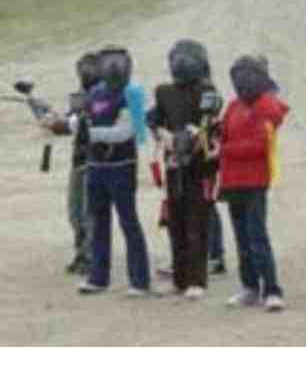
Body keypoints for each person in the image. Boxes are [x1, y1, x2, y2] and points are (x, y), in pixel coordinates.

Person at [147, 39, 222, 300]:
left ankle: (196, 280)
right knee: (176, 223)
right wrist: (163, 134)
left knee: (197, 223)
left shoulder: (208, 91)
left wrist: (196, 135)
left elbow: (211, 123)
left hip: (201, 166)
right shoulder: (164, 92)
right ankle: (180, 279)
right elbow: (153, 118)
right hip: (174, 165)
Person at [77, 45, 152, 297]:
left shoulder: (132, 93)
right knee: (98, 222)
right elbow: (82, 119)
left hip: (121, 167)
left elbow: (127, 131)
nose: (113, 66)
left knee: (128, 222)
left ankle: (139, 281)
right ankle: (98, 278)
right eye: (108, 61)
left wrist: (91, 134)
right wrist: (69, 124)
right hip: (96, 166)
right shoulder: (94, 93)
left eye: (118, 61)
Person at [218, 56, 289, 312]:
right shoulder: (233, 107)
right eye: (238, 77)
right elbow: (222, 134)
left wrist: (224, 150)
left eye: (247, 76)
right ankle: (249, 287)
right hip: (232, 181)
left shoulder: (267, 106)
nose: (242, 82)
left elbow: (259, 145)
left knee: (257, 236)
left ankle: (272, 289)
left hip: (255, 181)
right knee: (241, 238)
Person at [40, 52, 100, 275]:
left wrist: (57, 124)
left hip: (96, 161)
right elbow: (69, 123)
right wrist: (51, 118)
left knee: (88, 213)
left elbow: (74, 124)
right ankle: (82, 253)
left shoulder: (104, 97)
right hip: (79, 159)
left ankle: (90, 257)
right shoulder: (80, 97)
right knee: (75, 214)